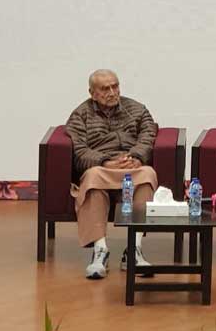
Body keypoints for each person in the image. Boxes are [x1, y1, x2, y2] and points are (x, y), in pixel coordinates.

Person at [66, 69, 160, 280]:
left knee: (147, 175)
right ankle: (100, 251)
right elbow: (79, 150)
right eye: (105, 88)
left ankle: (134, 251)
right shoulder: (80, 114)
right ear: (92, 93)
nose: (112, 92)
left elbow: (148, 135)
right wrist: (104, 161)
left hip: (132, 165)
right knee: (92, 180)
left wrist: (136, 156)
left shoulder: (137, 109)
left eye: (115, 86)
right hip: (101, 167)